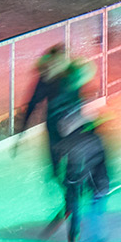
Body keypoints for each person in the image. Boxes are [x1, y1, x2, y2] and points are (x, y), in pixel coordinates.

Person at [18, 45, 91, 232]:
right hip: (54, 136)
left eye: (58, 62)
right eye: (51, 64)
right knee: (56, 174)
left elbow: (85, 75)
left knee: (72, 175)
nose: (52, 67)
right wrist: (20, 135)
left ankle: (74, 217)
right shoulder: (44, 80)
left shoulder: (72, 75)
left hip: (74, 134)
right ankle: (71, 200)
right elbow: (33, 104)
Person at [54, 110, 111, 242]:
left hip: (96, 186)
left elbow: (86, 168)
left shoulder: (82, 143)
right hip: (97, 185)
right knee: (93, 215)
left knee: (94, 217)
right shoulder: (91, 140)